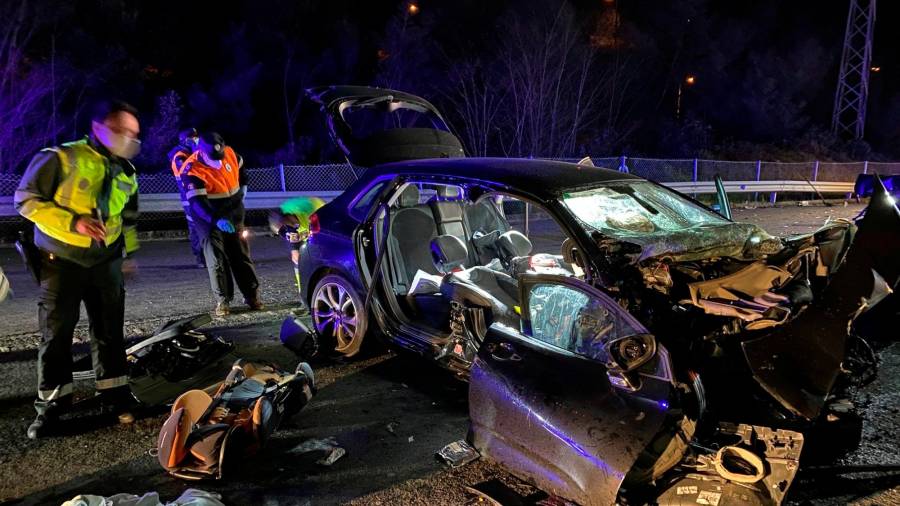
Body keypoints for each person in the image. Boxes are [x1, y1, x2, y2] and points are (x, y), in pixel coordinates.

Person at [14, 99, 141, 439]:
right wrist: (75, 222)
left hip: (107, 261)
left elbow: (127, 217)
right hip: (61, 261)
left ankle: (115, 392)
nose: (129, 138)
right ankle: (53, 406)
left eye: (134, 133)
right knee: (57, 334)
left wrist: (127, 256)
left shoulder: (127, 170)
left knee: (110, 331)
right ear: (98, 127)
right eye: (122, 131)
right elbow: (25, 200)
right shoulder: (59, 157)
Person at [180, 132, 261, 316]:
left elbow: (242, 172)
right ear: (202, 152)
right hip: (208, 216)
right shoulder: (191, 169)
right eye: (212, 158)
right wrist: (216, 220)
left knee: (241, 255)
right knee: (216, 258)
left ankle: (252, 296)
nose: (217, 162)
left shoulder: (231, 154)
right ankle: (223, 301)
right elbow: (198, 204)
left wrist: (242, 191)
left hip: (233, 211)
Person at [268, 197, 325, 314]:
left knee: (320, 259)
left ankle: (324, 291)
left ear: (290, 216)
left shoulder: (311, 209)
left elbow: (321, 233)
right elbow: (292, 242)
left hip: (321, 221)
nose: (290, 226)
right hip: (304, 225)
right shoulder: (283, 220)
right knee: (298, 264)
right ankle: (306, 300)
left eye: (289, 223)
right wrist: (295, 252)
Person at [168, 128, 204, 267]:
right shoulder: (178, 155)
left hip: (200, 194)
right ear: (184, 140)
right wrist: (196, 151)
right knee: (195, 227)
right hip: (189, 198)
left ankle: (208, 255)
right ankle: (200, 257)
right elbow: (188, 171)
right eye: (192, 137)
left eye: (196, 136)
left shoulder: (193, 152)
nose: (195, 139)